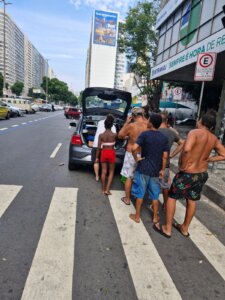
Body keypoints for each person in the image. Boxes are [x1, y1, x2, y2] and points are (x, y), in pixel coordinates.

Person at [154, 111, 225, 238]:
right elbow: (223, 154)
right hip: (201, 174)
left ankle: (167, 228)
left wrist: (183, 165)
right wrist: (209, 159)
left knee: (172, 197)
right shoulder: (213, 138)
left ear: (201, 121)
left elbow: (186, 149)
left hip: (188, 173)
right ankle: (185, 228)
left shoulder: (194, 133)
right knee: (192, 200)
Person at [129, 113, 169, 224]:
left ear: (151, 122)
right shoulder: (164, 138)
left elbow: (134, 148)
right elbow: (165, 156)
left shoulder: (144, 134)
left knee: (140, 194)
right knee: (155, 195)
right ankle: (155, 217)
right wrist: (162, 169)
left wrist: (137, 159)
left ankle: (137, 216)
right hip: (156, 170)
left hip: (143, 168)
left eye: (149, 120)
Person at [118, 107, 148, 205]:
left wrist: (127, 122)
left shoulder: (132, 126)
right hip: (143, 153)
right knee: (140, 177)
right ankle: (138, 197)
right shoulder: (148, 125)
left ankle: (127, 199)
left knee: (129, 177)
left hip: (131, 153)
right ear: (143, 115)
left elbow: (120, 135)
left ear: (133, 116)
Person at [158, 113, 184, 211]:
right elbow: (182, 143)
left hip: (154, 163)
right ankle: (165, 204)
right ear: (166, 121)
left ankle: (154, 205)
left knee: (153, 186)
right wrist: (172, 154)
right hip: (166, 164)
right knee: (165, 186)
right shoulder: (171, 133)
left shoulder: (154, 131)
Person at [95, 115, 117, 195]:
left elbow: (98, 148)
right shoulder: (115, 135)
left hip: (103, 153)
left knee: (103, 171)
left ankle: (103, 189)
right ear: (112, 125)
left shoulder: (101, 135)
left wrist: (97, 157)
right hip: (111, 153)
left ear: (104, 125)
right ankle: (108, 190)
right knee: (111, 171)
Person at [91, 115, 116, 181]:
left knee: (96, 161)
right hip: (107, 147)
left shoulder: (100, 122)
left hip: (96, 144)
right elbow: (114, 137)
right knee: (105, 162)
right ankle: (105, 175)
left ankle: (97, 176)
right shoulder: (113, 126)